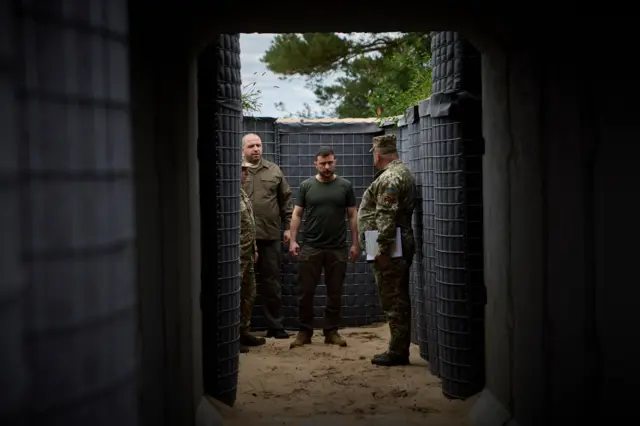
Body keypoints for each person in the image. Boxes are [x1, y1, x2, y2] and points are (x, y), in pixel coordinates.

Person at [288, 146, 360, 349]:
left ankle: (331, 331)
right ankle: (304, 331)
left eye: (330, 163)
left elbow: (353, 215)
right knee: (305, 291)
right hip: (311, 246)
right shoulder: (306, 186)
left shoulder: (345, 186)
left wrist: (355, 243)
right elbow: (297, 214)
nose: (327, 167)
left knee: (335, 291)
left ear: (335, 162)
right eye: (323, 163)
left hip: (337, 248)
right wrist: (293, 240)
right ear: (316, 164)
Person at [357, 134, 416, 366]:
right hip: (387, 240)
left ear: (378, 154)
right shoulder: (399, 172)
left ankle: (398, 351)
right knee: (392, 296)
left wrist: (380, 250)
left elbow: (385, 216)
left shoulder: (390, 177)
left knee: (392, 298)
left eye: (373, 153)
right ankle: (398, 347)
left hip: (388, 243)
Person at [242, 133, 293, 339]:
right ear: (243, 150)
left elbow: (286, 200)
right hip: (243, 239)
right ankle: (242, 330)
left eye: (259, 145)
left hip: (270, 236)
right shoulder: (237, 171)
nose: (256, 149)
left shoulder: (274, 170)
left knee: (272, 282)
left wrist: (289, 227)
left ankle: (275, 325)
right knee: (242, 284)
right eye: (251, 146)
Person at [240, 157, 267, 353]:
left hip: (247, 253)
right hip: (235, 256)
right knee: (234, 295)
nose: (246, 174)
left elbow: (249, 223)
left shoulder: (241, 194)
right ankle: (231, 336)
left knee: (249, 293)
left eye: (247, 170)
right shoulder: (226, 196)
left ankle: (243, 331)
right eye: (242, 170)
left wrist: (255, 248)